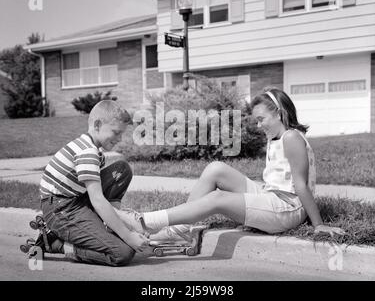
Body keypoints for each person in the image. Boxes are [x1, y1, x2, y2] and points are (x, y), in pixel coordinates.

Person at [118, 87, 345, 247]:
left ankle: (145, 222)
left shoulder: (292, 138)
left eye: (261, 119)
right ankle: (180, 230)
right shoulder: (277, 137)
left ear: (279, 113)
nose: (258, 125)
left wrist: (319, 225)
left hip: (287, 208)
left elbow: (302, 185)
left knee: (218, 198)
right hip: (271, 196)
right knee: (216, 168)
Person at [34, 100, 150, 266]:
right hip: (61, 209)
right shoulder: (87, 152)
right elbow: (97, 199)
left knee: (121, 170)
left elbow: (97, 195)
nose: (120, 139)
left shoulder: (89, 146)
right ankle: (55, 243)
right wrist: (129, 236)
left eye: (122, 134)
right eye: (116, 132)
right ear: (97, 125)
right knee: (123, 252)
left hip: (73, 199)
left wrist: (123, 223)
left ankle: (110, 223)